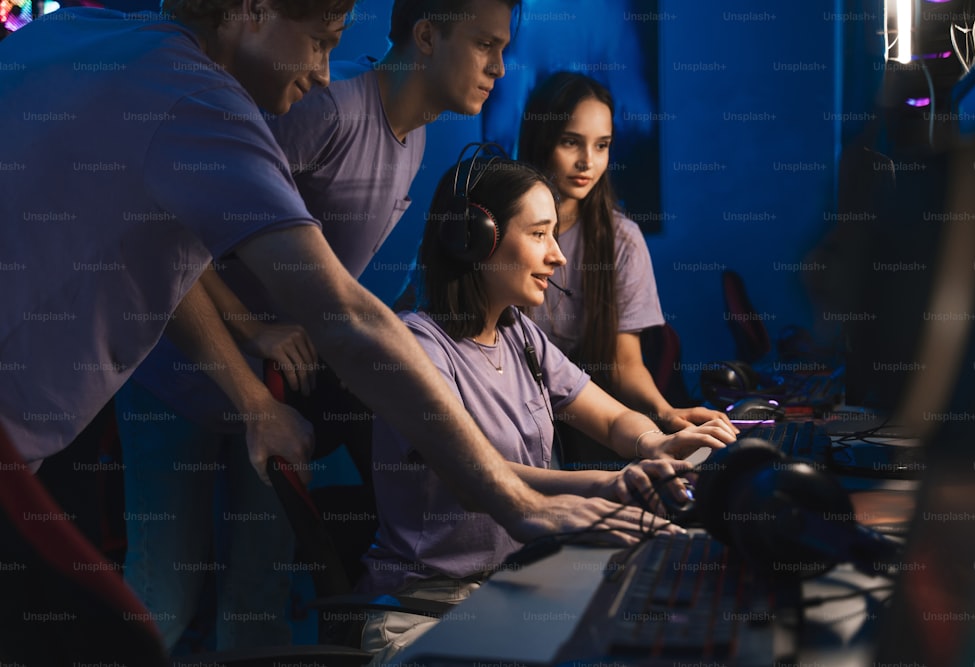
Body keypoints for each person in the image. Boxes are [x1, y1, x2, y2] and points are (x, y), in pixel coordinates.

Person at [0, 1, 663, 655]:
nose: (323, 69)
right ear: (253, 9)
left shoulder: (78, 31)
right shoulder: (224, 103)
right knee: (153, 602)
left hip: (93, 422)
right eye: (320, 39)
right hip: (153, 389)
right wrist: (511, 496)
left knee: (248, 595)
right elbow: (341, 312)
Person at [113, 0, 522, 649]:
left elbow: (331, 285)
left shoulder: (412, 139)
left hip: (277, 393)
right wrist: (256, 326)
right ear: (425, 35)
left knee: (258, 607)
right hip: (181, 373)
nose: (499, 66)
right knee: (163, 590)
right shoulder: (327, 110)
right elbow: (180, 219)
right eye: (485, 45)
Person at [357, 154, 737, 661]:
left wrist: (655, 443)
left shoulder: (520, 334)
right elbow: (476, 479)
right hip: (428, 616)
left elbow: (608, 415)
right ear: (474, 238)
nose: (557, 255)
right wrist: (606, 484)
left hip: (511, 591)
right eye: (539, 235)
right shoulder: (416, 348)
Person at [517, 71, 736, 465]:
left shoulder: (621, 239)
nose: (587, 161)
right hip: (502, 412)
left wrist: (667, 413)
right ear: (540, 139)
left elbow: (624, 363)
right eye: (571, 142)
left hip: (585, 427)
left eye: (601, 146)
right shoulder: (497, 229)